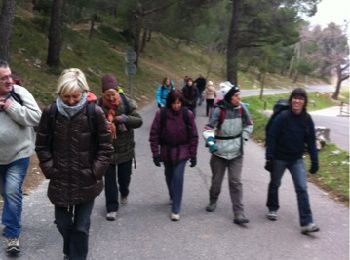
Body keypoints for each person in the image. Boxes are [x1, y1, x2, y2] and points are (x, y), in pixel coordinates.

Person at [35, 68, 113, 260]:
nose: (70, 101)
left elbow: (106, 147)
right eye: (66, 96)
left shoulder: (94, 112)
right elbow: (42, 145)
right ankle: (70, 251)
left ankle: (76, 256)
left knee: (81, 227)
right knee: (62, 223)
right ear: (59, 93)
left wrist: (95, 171)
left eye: (75, 97)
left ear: (84, 93)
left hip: (87, 180)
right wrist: (50, 169)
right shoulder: (51, 112)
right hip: (60, 180)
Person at [0, 59, 41, 255]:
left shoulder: (19, 93)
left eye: (9, 76)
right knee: (6, 193)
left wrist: (10, 107)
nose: (9, 81)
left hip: (20, 154)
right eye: (3, 78)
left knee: (11, 191)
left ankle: (12, 235)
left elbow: (36, 117)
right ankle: (10, 220)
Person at [265, 88, 320, 234]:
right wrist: (269, 157)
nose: (297, 101)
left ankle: (307, 222)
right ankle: (272, 207)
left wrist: (315, 161)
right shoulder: (283, 116)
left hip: (296, 159)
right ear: (291, 100)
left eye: (300, 98)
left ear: (304, 102)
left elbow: (311, 142)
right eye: (295, 98)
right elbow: (271, 136)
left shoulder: (307, 119)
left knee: (302, 188)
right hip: (279, 157)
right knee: (275, 183)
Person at [202, 83, 253, 225]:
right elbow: (208, 128)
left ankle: (239, 213)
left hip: (237, 152)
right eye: (236, 96)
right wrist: (211, 143)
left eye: (239, 95)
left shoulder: (242, 108)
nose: (239, 98)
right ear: (229, 97)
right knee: (216, 181)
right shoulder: (219, 110)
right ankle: (213, 199)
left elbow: (249, 125)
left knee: (235, 182)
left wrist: (243, 138)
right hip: (219, 152)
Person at [98, 74, 143, 221]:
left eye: (113, 94)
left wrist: (126, 119)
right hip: (106, 151)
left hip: (125, 150)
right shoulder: (97, 107)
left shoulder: (127, 103)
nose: (111, 98)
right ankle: (111, 208)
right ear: (103, 94)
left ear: (118, 92)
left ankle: (124, 191)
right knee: (109, 181)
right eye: (107, 95)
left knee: (124, 178)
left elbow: (139, 121)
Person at [149, 90, 198, 221]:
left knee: (178, 177)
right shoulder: (161, 114)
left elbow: (194, 136)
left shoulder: (188, 115)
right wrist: (155, 154)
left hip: (182, 150)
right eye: (174, 103)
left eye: (179, 103)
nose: (177, 105)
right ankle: (172, 195)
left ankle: (176, 208)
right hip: (166, 150)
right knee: (169, 176)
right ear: (169, 103)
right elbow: (154, 134)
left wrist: (193, 155)